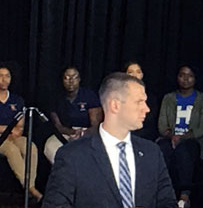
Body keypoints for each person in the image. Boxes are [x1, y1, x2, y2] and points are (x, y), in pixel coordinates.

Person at [43, 72, 176, 208]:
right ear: (115, 105)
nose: (146, 109)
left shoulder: (152, 153)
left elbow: (168, 203)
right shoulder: (72, 156)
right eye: (139, 102)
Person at [0, 64, 41, 201]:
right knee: (11, 150)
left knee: (31, 147)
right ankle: (30, 189)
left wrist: (13, 131)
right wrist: (7, 129)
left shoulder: (17, 100)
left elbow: (20, 127)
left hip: (13, 136)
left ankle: (30, 186)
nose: (4, 79)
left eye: (7, 76)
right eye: (0, 76)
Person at [157, 65, 203, 206]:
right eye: (182, 75)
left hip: (194, 141)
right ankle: (162, 194)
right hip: (170, 139)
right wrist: (172, 136)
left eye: (190, 75)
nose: (186, 79)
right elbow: (162, 126)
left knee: (185, 151)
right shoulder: (168, 98)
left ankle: (184, 197)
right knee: (161, 149)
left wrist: (182, 137)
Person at [44, 66, 102, 164]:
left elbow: (96, 125)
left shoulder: (89, 95)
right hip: (66, 133)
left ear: (79, 79)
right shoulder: (56, 98)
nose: (70, 81)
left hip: (87, 132)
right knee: (50, 147)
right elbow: (58, 126)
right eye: (67, 77)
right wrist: (72, 133)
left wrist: (82, 133)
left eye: (74, 77)